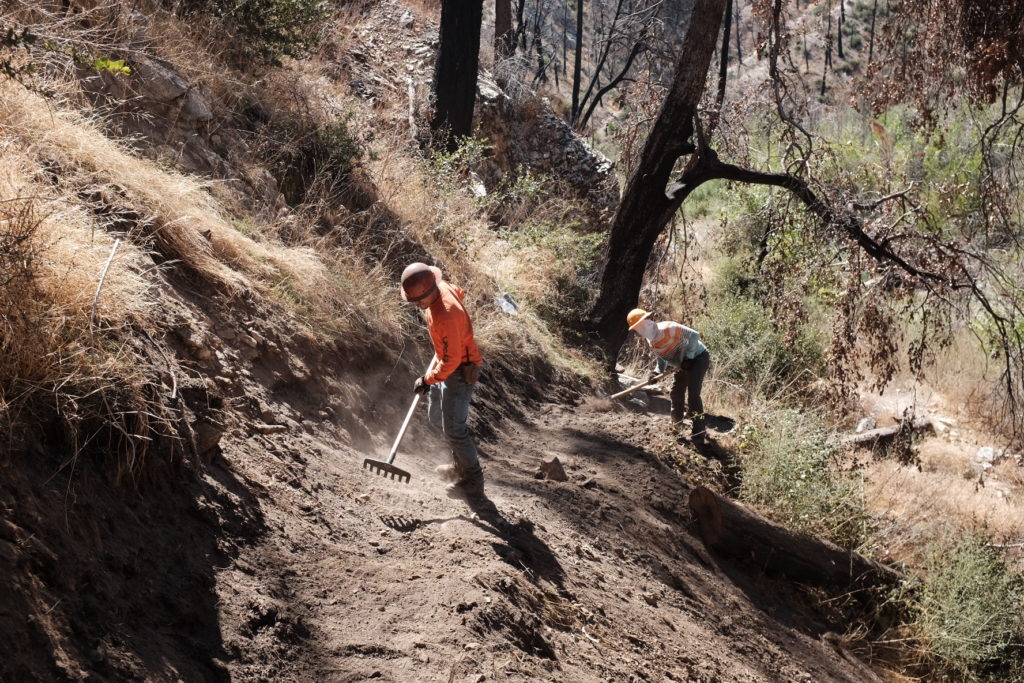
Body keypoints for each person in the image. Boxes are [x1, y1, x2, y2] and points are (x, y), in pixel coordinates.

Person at [400, 262, 485, 498]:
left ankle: (473, 482)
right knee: (436, 417)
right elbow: (459, 291)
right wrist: (451, 340)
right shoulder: (442, 287)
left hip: (459, 370)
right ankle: (460, 465)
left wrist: (427, 379)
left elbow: (452, 361)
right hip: (447, 362)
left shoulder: (445, 317)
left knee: (455, 430)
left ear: (429, 293)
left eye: (418, 301)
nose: (417, 305)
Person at [627, 308, 711, 441]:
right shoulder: (651, 341)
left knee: (693, 393)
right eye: (636, 329)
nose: (638, 331)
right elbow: (662, 357)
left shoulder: (668, 327)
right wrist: (656, 372)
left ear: (647, 321)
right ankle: (677, 424)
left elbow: (694, 335)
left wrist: (689, 358)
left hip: (698, 357)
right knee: (676, 393)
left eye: (639, 326)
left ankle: (699, 433)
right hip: (682, 363)